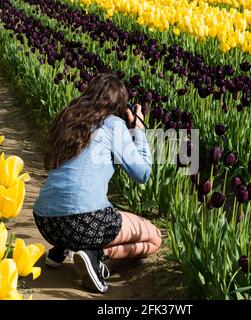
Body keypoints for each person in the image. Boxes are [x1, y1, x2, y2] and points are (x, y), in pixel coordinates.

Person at [33, 73, 162, 293]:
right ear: (121, 106)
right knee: (155, 238)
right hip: (83, 222)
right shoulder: (114, 124)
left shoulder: (68, 118)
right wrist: (138, 131)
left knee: (78, 197)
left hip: (45, 221)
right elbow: (143, 173)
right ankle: (93, 254)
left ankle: (61, 250)